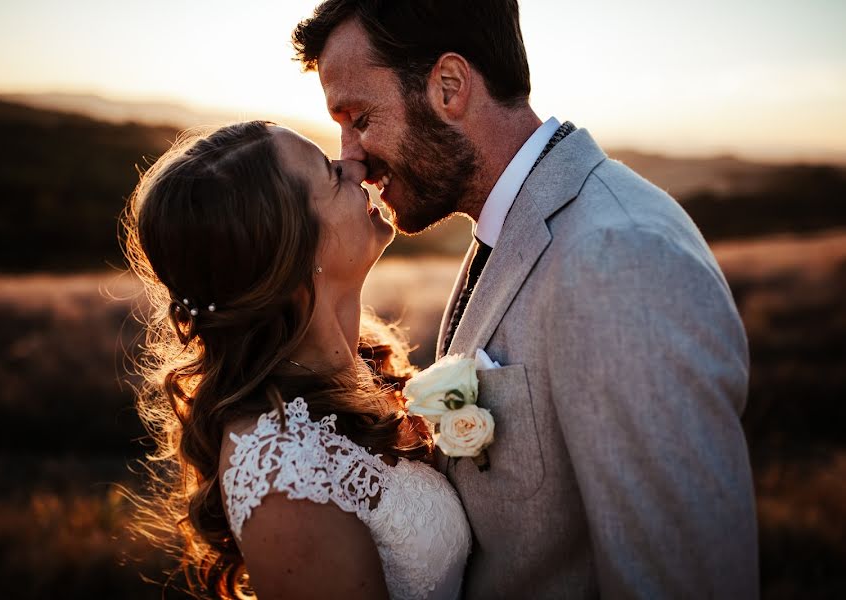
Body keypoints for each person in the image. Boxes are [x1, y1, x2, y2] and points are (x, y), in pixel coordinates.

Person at [292, 1, 759, 598]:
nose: (349, 155)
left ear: (450, 87)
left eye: (359, 117)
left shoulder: (621, 259)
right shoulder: (509, 225)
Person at [123, 121, 471, 599]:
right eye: (331, 173)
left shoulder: (360, 367)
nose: (356, 165)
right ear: (298, 251)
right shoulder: (280, 467)